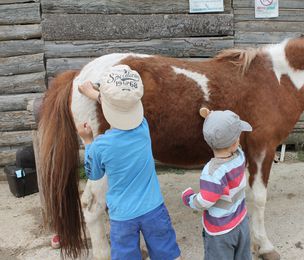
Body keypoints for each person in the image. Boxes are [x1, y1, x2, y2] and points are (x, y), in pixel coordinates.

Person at [77, 65, 181, 260]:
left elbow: (94, 174)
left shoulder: (101, 145)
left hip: (122, 216)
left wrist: (88, 141)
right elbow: (123, 106)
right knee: (167, 254)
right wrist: (99, 96)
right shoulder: (143, 127)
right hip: (154, 209)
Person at [181, 109, 252, 260]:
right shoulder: (240, 157)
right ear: (235, 143)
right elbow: (233, 145)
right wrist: (212, 119)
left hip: (221, 233)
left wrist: (189, 198)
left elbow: (205, 201)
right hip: (241, 222)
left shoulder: (212, 172)